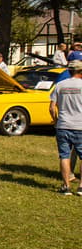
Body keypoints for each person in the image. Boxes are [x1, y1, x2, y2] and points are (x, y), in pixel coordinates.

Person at [49, 60, 82, 195]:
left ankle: (66, 186)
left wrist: (56, 120)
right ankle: (81, 187)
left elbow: (51, 107)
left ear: (69, 70)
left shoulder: (60, 85)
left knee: (64, 156)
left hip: (63, 125)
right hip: (80, 125)